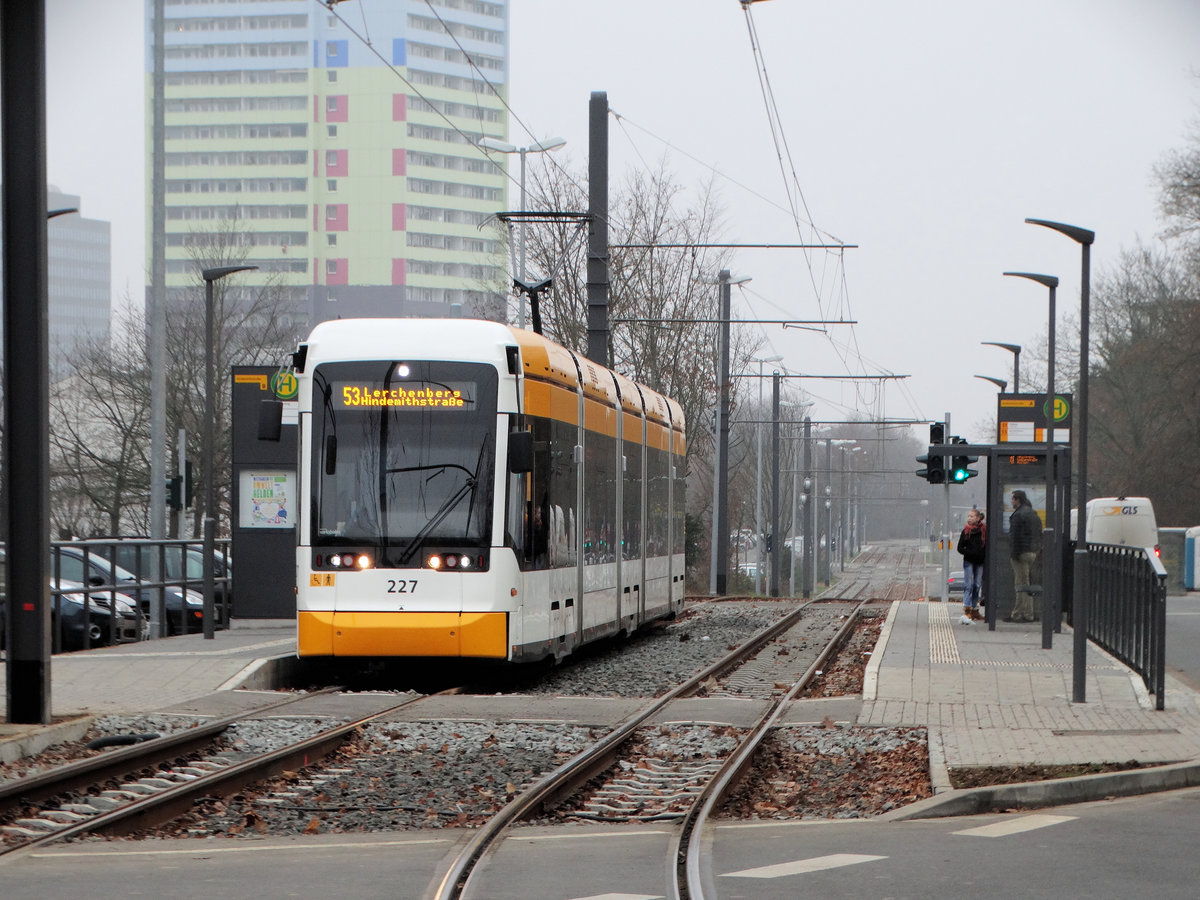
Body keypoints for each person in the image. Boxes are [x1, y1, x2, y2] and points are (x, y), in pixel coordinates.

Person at [1007, 490, 1042, 622]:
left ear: (1018, 499)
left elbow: (1015, 537)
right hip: (1032, 552)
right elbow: (1039, 532)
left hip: (1021, 553)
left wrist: (1014, 554)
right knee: (1026, 583)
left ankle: (1021, 614)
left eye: (1012, 499)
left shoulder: (1018, 515)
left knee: (1021, 585)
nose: (1011, 501)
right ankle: (1026, 613)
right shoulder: (1032, 513)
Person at [957, 509, 986, 623]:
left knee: (977, 585)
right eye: (968, 516)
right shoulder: (966, 531)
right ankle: (967, 608)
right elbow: (960, 548)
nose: (969, 518)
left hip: (979, 561)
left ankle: (974, 609)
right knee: (968, 584)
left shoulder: (984, 530)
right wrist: (969, 552)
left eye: (972, 516)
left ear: (978, 518)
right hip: (969, 561)